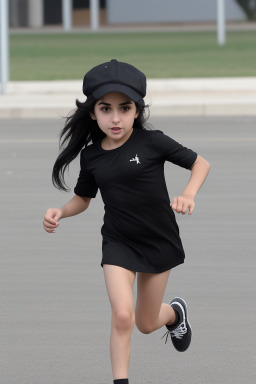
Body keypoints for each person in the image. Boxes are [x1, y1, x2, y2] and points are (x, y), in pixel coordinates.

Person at [43, 59, 210, 384]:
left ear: (137, 110)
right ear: (93, 112)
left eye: (125, 108)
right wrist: (60, 211)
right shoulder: (91, 156)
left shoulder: (152, 142)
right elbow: (84, 198)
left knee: (146, 323)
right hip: (118, 242)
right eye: (106, 109)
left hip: (158, 240)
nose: (115, 118)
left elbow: (200, 164)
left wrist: (188, 194)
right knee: (122, 316)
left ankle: (174, 313)